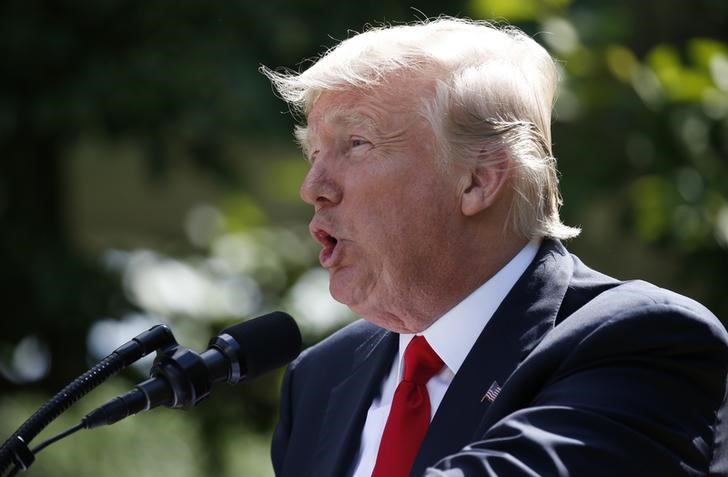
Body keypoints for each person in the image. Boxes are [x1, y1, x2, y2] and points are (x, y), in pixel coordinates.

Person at [261, 17, 728, 477]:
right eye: (315, 153)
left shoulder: (640, 341)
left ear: (479, 180)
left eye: (357, 143)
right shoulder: (321, 378)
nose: (313, 187)